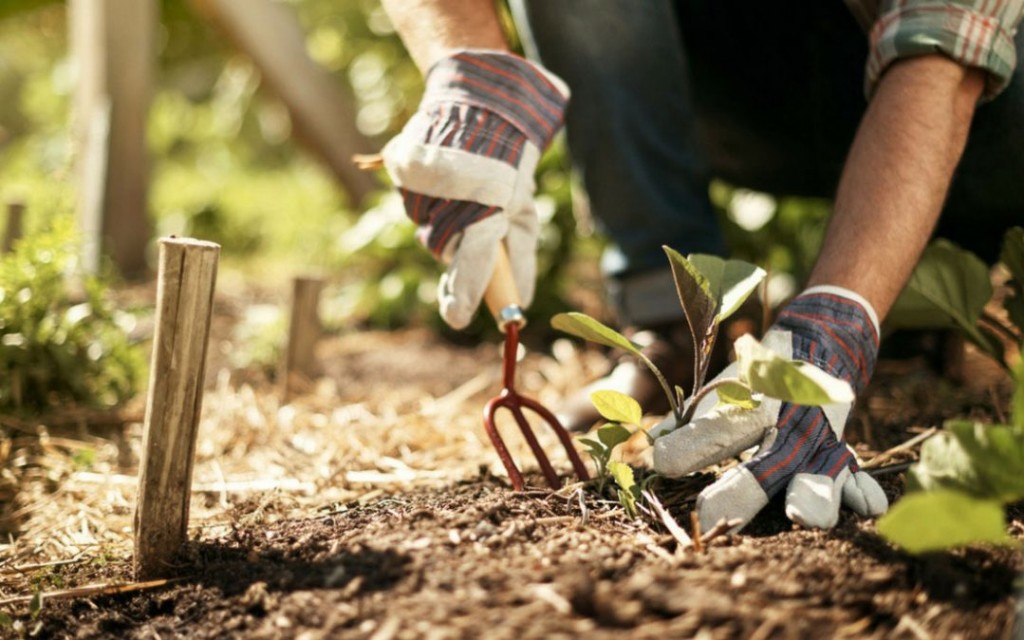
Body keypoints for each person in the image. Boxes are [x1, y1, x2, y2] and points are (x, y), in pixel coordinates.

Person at [375, 0, 1024, 532]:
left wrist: (838, 317)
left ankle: (920, 284)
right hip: (732, 86)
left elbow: (945, 56)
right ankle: (674, 318)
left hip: (980, 97)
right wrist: (466, 64)